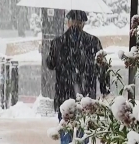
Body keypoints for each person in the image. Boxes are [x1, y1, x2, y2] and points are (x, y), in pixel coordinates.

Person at [46, 10, 110, 144]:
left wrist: (52, 53)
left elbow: (50, 65)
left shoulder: (58, 42)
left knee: (65, 131)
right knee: (84, 131)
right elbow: (103, 67)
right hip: (86, 94)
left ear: (68, 23)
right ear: (83, 24)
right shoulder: (93, 42)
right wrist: (105, 89)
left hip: (64, 94)